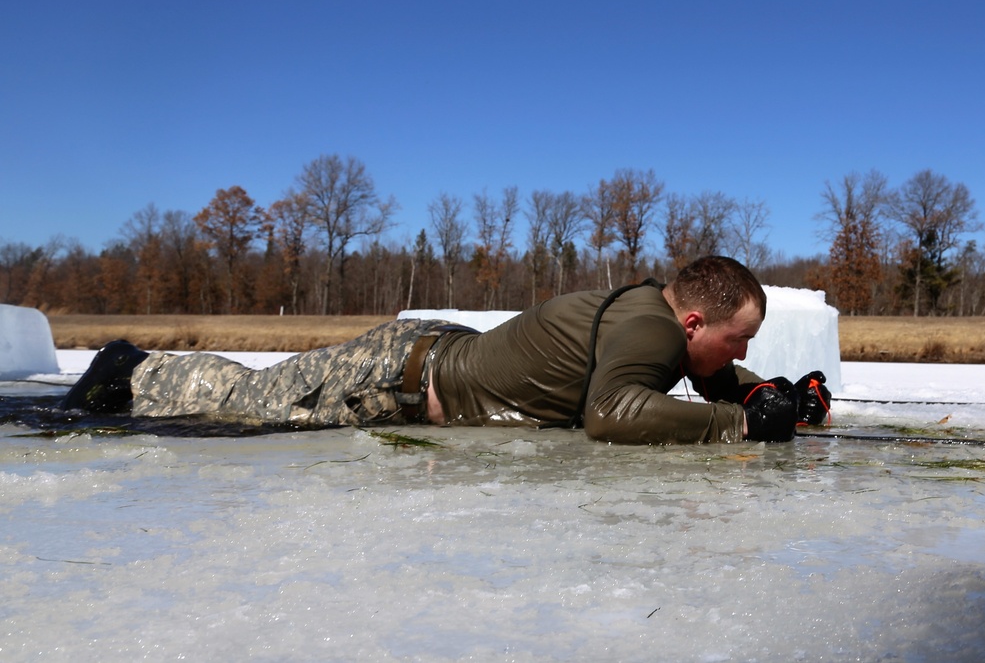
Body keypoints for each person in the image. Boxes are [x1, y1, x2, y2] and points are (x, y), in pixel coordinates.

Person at [60, 256, 831, 444]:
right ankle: (129, 366)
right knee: (249, 401)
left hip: (433, 356)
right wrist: (734, 427)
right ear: (694, 321)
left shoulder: (657, 324)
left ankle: (136, 367)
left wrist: (775, 396)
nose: (741, 351)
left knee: (257, 397)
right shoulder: (651, 330)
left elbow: (708, 375)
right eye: (741, 337)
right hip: (398, 372)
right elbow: (610, 411)